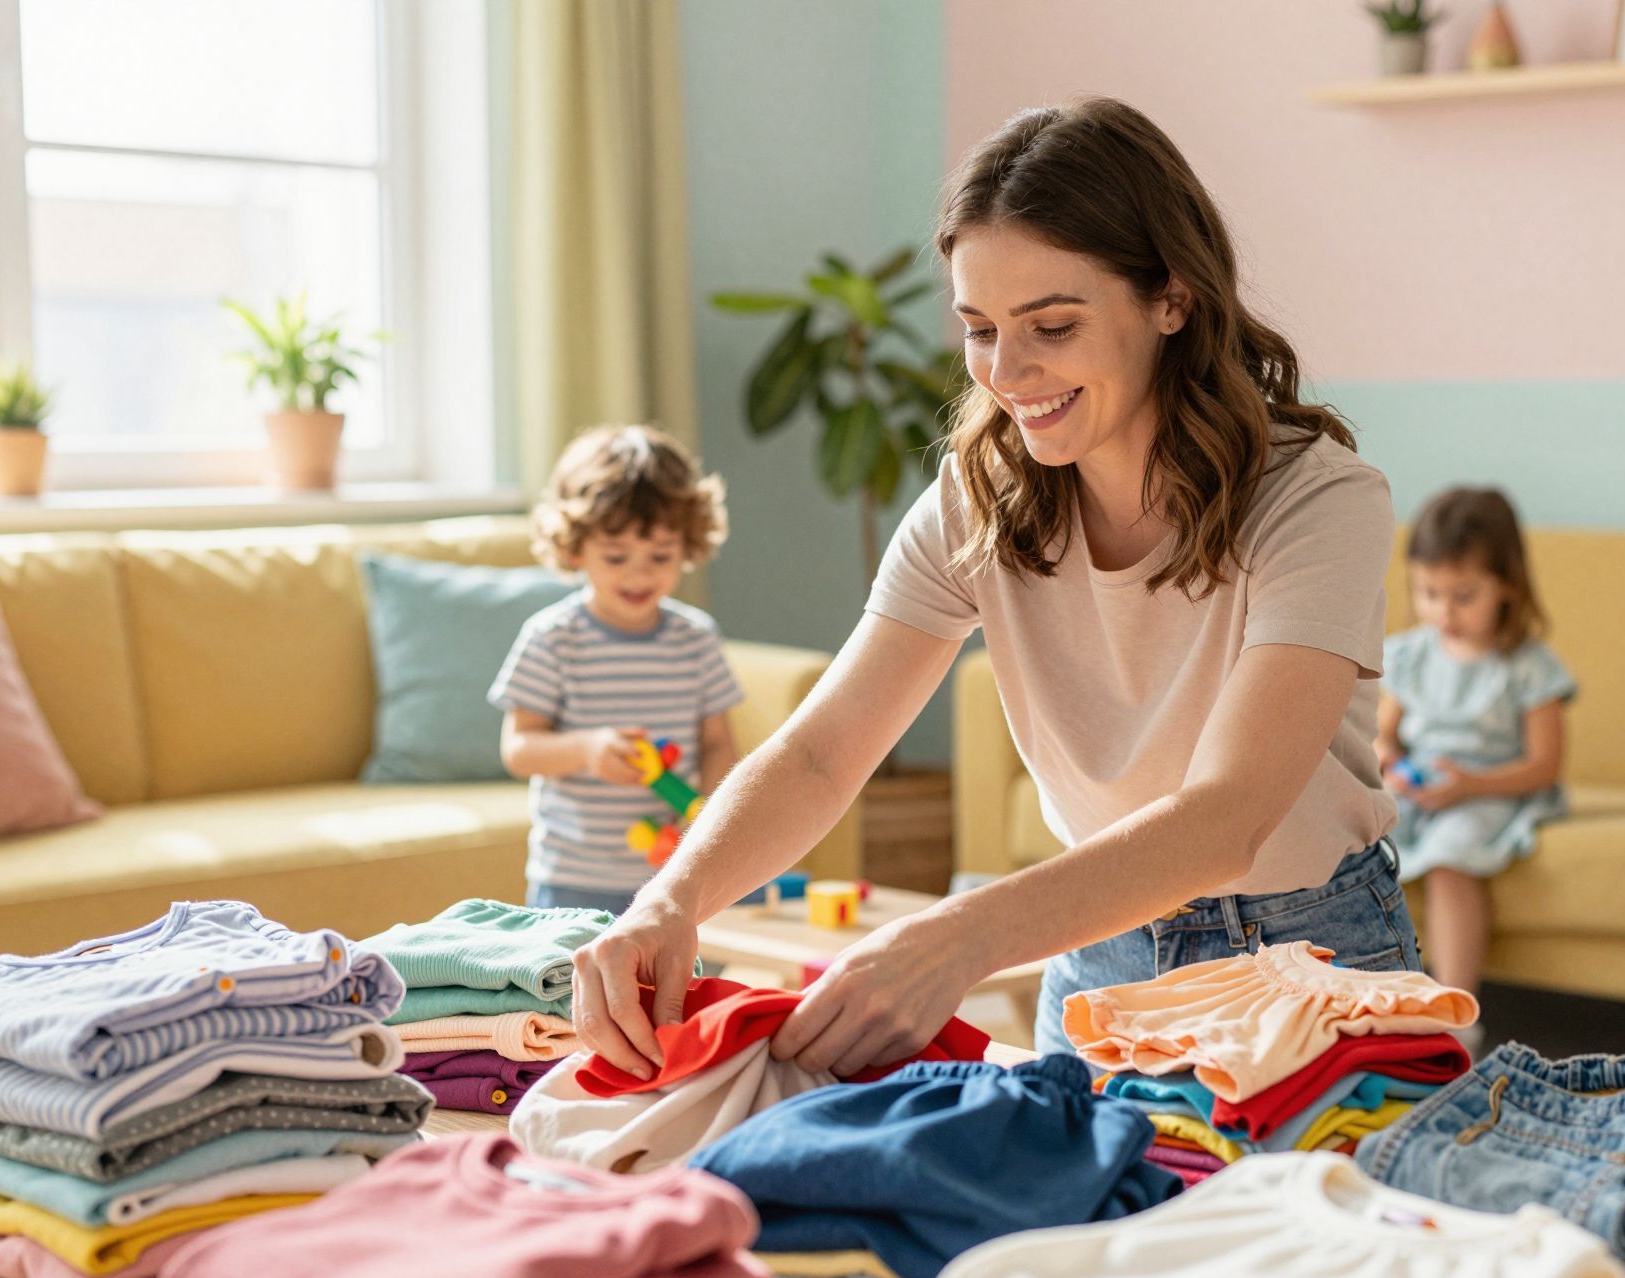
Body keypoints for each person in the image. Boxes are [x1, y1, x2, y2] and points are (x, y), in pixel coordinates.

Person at [569, 96, 1419, 1077]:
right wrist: (669, 902)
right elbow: (820, 756)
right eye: (979, 329)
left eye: (1051, 325)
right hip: (1097, 954)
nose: (1007, 372)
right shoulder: (977, 500)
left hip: (1306, 955)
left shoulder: (1317, 500)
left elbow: (1226, 816)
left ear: (1172, 299)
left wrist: (956, 937)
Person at [490, 424, 743, 918]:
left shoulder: (696, 639)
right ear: (574, 547)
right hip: (572, 878)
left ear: (688, 544)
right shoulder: (553, 638)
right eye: (615, 556)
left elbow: (718, 743)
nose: (639, 573)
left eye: (661, 555)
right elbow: (518, 750)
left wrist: (706, 821)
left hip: (673, 875)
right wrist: (586, 749)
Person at [1376, 486, 1575, 997]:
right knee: (1359, 842)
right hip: (1421, 787)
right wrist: (1392, 764)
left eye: (1463, 597)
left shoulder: (1528, 667)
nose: (1444, 612)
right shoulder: (1411, 656)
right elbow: (1382, 736)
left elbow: (1544, 766)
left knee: (1450, 859)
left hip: (1493, 790)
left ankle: (1456, 1005)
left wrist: (1469, 786)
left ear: (1506, 584)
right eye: (1428, 593)